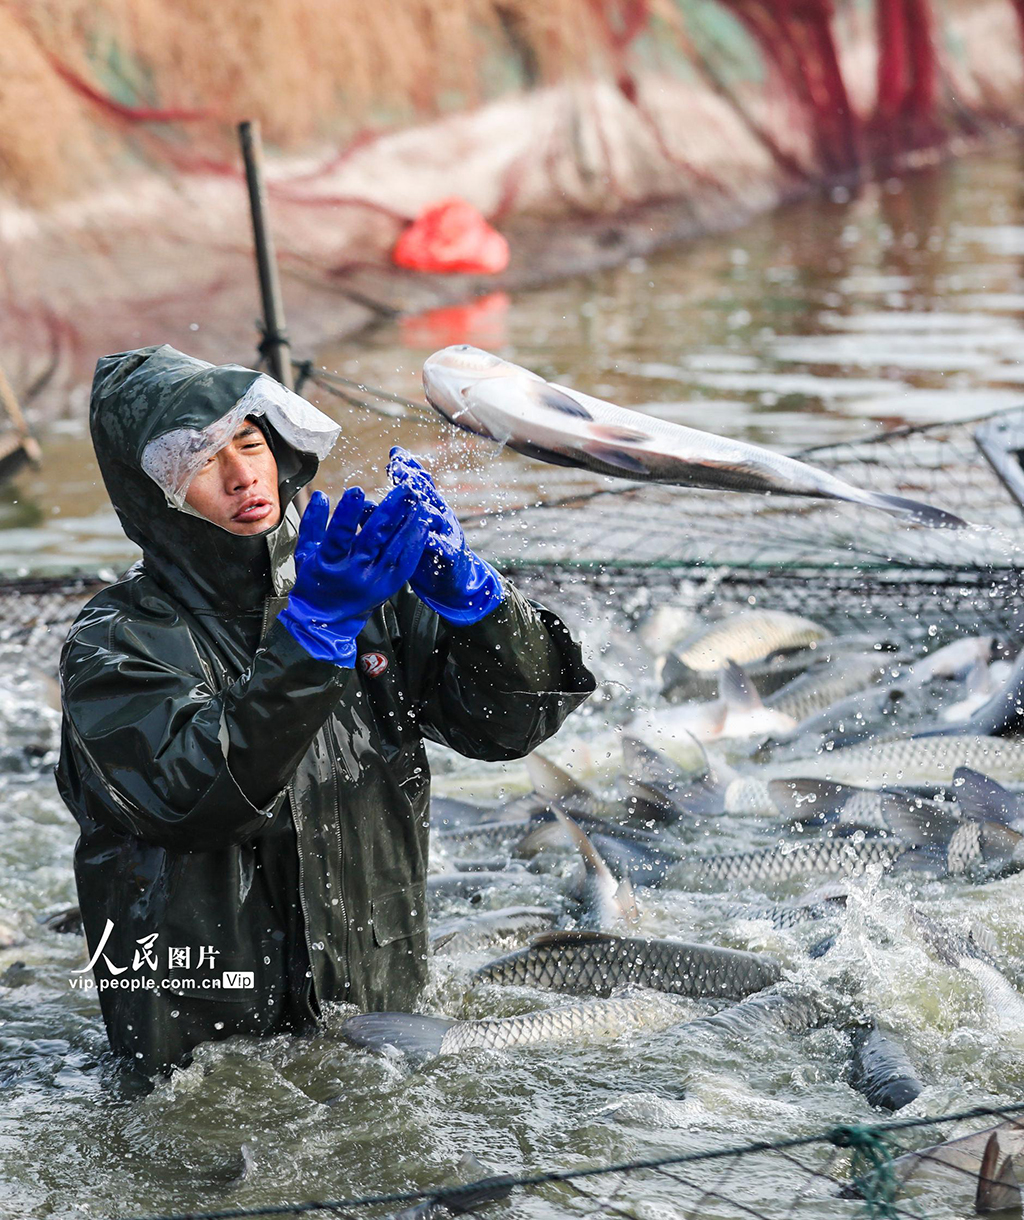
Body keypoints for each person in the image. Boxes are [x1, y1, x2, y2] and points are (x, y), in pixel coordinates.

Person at [55, 344, 595, 1078]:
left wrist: (482, 608)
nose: (244, 474)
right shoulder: (115, 642)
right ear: (157, 495)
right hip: (200, 1048)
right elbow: (197, 797)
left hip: (379, 1021)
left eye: (251, 444)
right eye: (203, 458)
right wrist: (311, 639)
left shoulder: (362, 591)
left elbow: (510, 726)